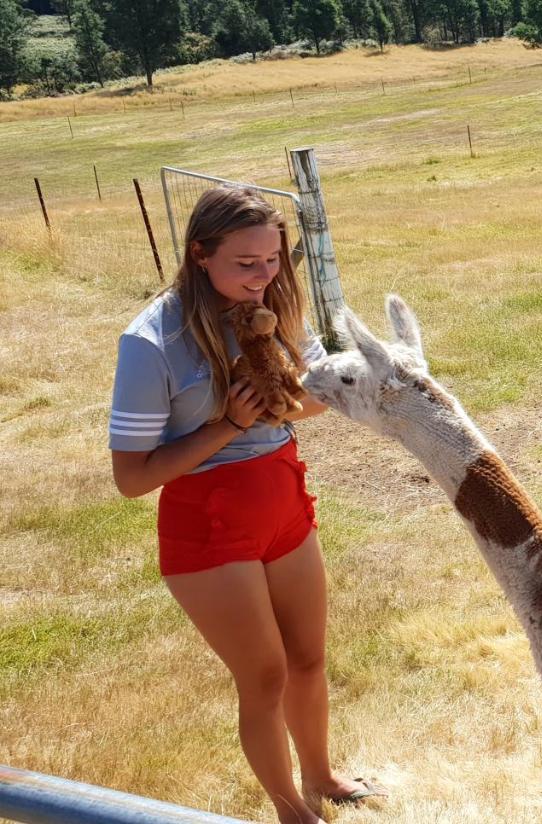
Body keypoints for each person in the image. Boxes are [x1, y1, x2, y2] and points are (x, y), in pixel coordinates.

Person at [109, 186, 380, 824]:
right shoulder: (151, 341)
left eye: (273, 260)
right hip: (207, 523)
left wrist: (290, 396)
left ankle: (322, 778)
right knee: (264, 676)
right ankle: (291, 811)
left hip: (282, 497)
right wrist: (229, 424)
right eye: (246, 263)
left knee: (309, 657)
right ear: (200, 254)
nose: (264, 277)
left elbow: (316, 393)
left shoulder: (274, 308)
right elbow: (131, 478)